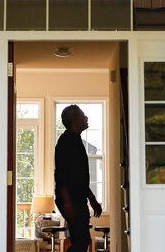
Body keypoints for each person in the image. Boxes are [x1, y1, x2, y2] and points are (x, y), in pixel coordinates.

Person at [54, 104, 102, 252]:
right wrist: (68, 203)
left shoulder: (76, 141)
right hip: (71, 200)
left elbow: (79, 177)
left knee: (82, 240)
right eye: (83, 115)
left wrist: (92, 199)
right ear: (74, 120)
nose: (86, 117)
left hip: (77, 198)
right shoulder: (65, 142)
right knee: (81, 242)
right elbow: (61, 174)